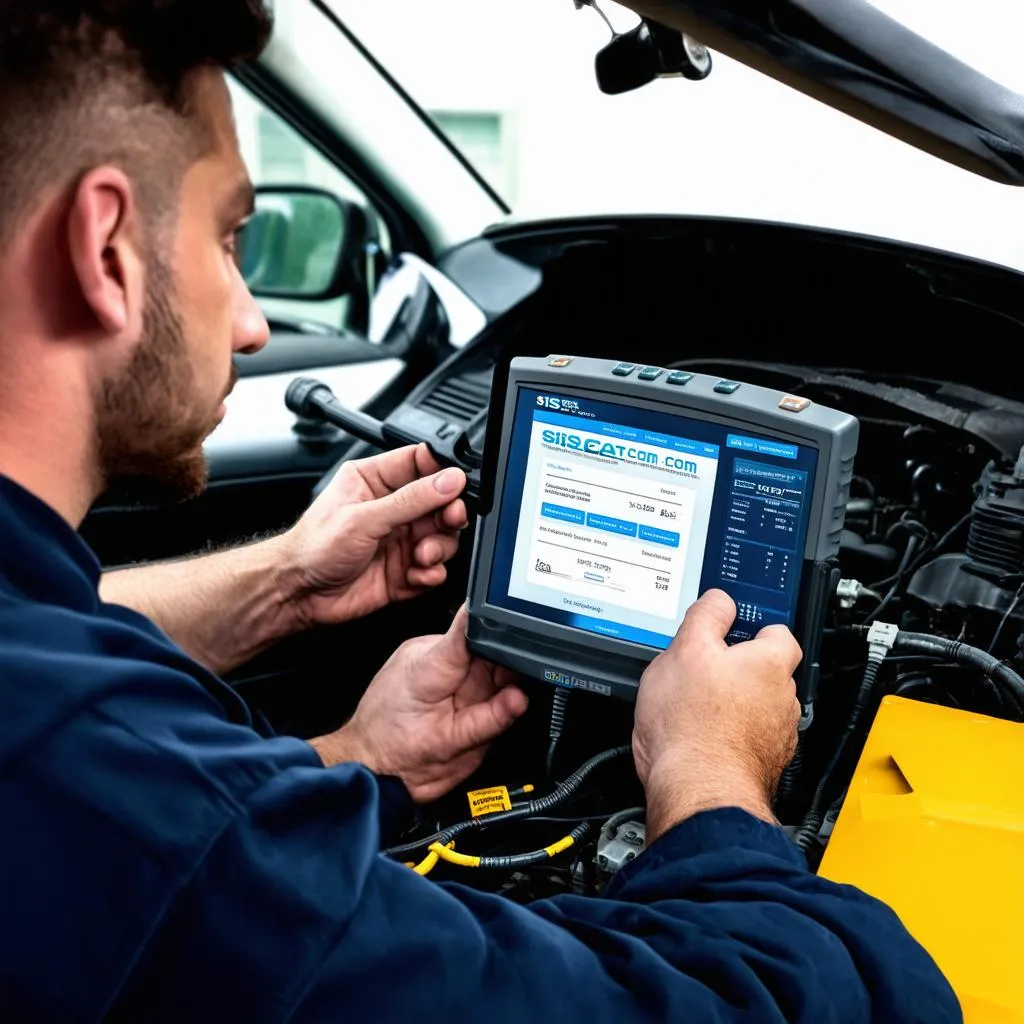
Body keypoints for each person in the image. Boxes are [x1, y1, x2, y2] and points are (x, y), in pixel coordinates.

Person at [0, 2, 960, 1022]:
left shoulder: (73, 742)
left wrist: (345, 736)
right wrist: (709, 769)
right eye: (232, 238)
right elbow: (762, 1001)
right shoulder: (113, 793)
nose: (248, 321)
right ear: (105, 247)